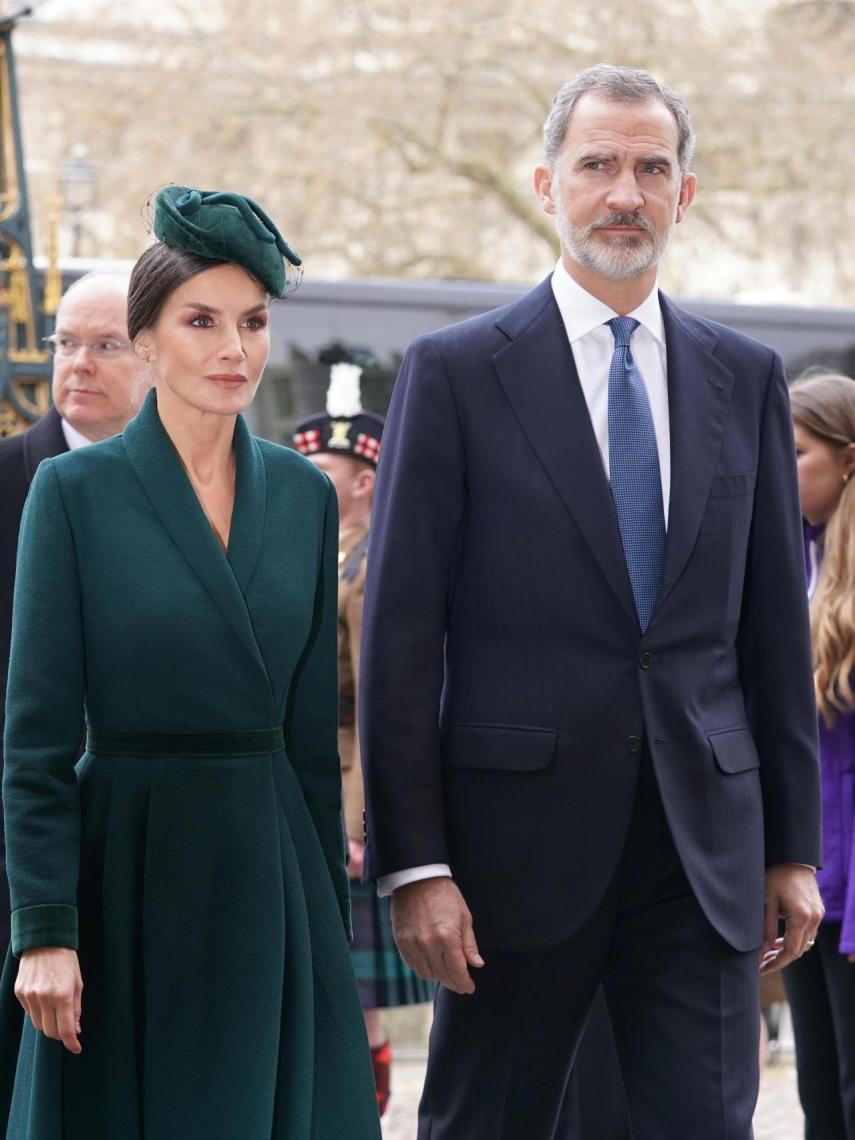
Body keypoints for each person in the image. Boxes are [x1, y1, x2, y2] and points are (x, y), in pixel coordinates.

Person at [359, 64, 823, 1140]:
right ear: (546, 182)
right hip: (509, 863)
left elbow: (769, 632)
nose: (625, 192)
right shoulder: (457, 372)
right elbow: (399, 637)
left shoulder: (743, 376)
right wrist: (416, 862)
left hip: (702, 851)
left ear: (684, 194)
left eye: (651, 169)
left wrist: (789, 847)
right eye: (598, 165)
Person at [0, 185, 381, 1139]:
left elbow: (304, 747)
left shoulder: (301, 498)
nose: (234, 348)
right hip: (125, 866)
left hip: (270, 872)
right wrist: (44, 929)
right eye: (200, 320)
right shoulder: (72, 492)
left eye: (252, 322)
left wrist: (323, 923)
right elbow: (36, 740)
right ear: (145, 341)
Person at [293, 360, 434, 1117]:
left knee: (356, 992)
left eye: (325, 469)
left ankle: (365, 1111)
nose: (309, 478)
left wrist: (358, 820)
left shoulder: (370, 562)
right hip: (325, 773)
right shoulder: (335, 552)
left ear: (366, 481)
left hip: (349, 787)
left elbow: (375, 703)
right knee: (344, 986)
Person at [0, 271, 146, 952]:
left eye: (107, 346)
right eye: (66, 344)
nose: (79, 363)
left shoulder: (198, 490)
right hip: (20, 844)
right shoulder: (7, 480)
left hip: (146, 837)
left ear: (154, 357)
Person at [786, 370, 855, 1139]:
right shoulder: (789, 557)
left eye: (796, 452)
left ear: (845, 460)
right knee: (818, 1094)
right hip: (808, 869)